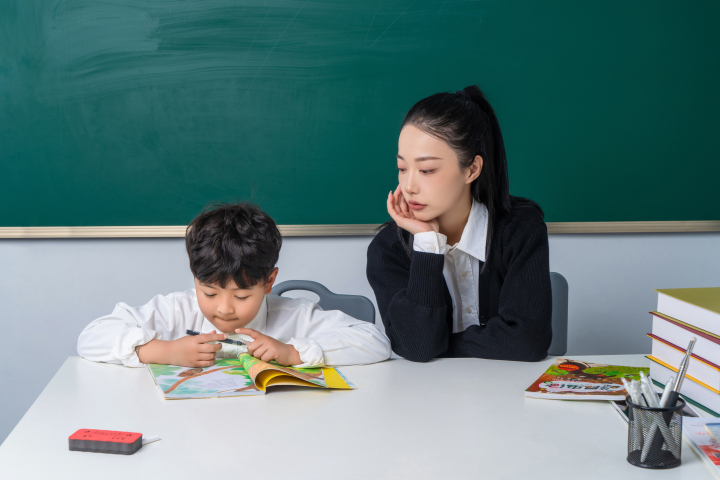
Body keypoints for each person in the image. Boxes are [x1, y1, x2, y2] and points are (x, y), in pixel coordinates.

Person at [78, 202, 391, 368]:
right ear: (194, 277)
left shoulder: (296, 315)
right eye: (210, 293)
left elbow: (375, 343)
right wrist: (163, 350)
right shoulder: (176, 310)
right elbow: (90, 338)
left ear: (269, 281)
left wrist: (293, 352)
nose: (224, 309)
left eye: (242, 295)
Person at [366, 85, 552, 363]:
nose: (409, 186)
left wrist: (442, 343)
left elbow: (528, 342)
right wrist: (427, 245)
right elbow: (418, 348)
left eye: (427, 170)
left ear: (472, 169)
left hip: (506, 394)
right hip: (423, 398)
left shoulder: (520, 228)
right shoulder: (387, 248)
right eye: (402, 168)